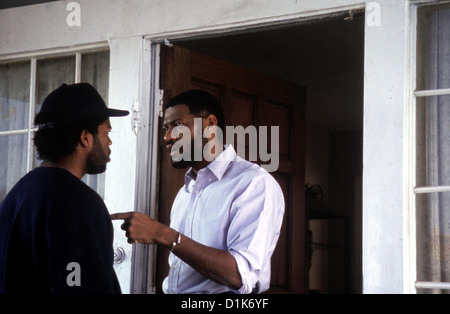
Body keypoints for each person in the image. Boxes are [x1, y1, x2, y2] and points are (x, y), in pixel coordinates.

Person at [112, 89, 285, 294]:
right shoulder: (185, 192)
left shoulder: (253, 183)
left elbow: (239, 275)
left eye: (177, 125)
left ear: (210, 124)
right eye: (165, 128)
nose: (167, 137)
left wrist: (161, 233)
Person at [0, 83, 128, 293]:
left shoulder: (19, 193)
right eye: (106, 132)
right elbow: (77, 284)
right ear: (85, 137)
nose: (110, 141)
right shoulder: (78, 202)